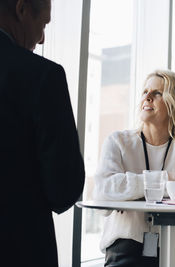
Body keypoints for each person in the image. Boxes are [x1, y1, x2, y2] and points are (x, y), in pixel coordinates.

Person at [94, 70, 175, 267]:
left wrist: (132, 190)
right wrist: (171, 180)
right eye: (145, 91)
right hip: (126, 252)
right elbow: (103, 191)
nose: (147, 97)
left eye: (158, 93)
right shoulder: (118, 142)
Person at [0, 0, 85, 266]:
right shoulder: (42, 76)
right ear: (22, 9)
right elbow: (65, 189)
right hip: (19, 250)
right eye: (43, 24)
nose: (42, 37)